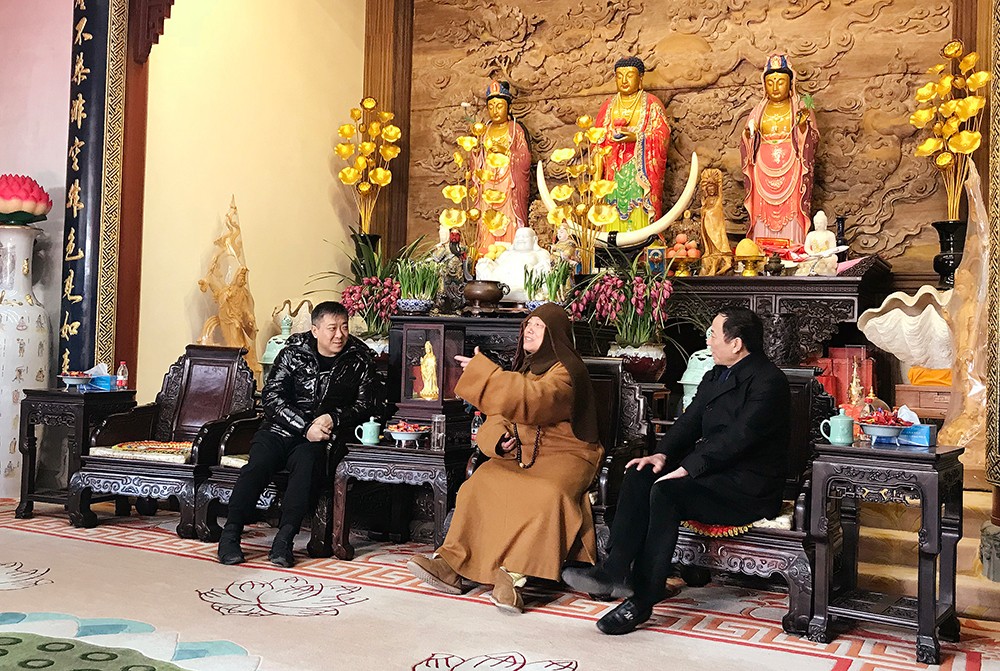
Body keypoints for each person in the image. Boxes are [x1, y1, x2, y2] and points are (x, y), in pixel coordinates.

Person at [562, 306, 791, 635]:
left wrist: (688, 468)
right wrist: (661, 455)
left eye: (713, 334)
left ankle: (642, 600)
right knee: (640, 473)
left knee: (667, 492)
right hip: (712, 476)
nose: (708, 341)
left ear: (736, 343)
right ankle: (614, 570)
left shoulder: (769, 381)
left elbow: (739, 437)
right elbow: (689, 421)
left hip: (747, 488)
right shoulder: (716, 374)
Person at [406, 303, 603, 613]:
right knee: (479, 483)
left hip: (566, 457)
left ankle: (512, 576)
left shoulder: (568, 371)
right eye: (528, 325)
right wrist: (498, 441)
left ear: (555, 334)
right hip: (521, 456)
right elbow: (498, 417)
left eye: (539, 326)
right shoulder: (523, 371)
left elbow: (534, 400)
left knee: (548, 494)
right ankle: (451, 564)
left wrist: (485, 375)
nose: (530, 330)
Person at [217, 301, 383, 568]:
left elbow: (367, 405)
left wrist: (333, 417)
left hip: (321, 437)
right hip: (279, 429)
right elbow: (272, 398)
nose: (339, 335)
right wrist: (305, 427)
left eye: (344, 327)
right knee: (257, 466)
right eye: (332, 328)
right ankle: (230, 535)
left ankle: (284, 540)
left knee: (306, 468)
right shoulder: (292, 353)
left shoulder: (359, 359)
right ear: (315, 330)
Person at [740, 53, 819, 248]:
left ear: (790, 83)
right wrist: (749, 135)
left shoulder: (800, 107)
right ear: (764, 85)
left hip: (792, 167)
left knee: (792, 208)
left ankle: (793, 246)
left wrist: (803, 126)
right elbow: (747, 140)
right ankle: (762, 249)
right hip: (762, 169)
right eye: (770, 82)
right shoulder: (758, 111)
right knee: (762, 209)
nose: (775, 87)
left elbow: (812, 139)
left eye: (781, 82)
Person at [594, 56, 671, 233]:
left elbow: (663, 135)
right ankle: (612, 243)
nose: (624, 80)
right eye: (619, 76)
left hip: (639, 170)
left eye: (629, 75)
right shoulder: (608, 106)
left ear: (640, 78)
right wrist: (597, 179)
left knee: (638, 204)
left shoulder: (651, 103)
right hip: (613, 170)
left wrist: (637, 137)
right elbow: (597, 143)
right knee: (611, 205)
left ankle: (643, 241)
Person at [475, 80, 531, 254]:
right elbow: (477, 160)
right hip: (488, 179)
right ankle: (486, 248)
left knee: (508, 214)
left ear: (508, 107)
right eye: (491, 107)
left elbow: (525, 158)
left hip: (508, 179)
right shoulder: (484, 130)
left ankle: (510, 246)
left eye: (499, 106)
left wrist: (507, 153)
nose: (495, 111)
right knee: (487, 214)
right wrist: (476, 154)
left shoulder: (515, 129)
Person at [698, 168, 734, 276]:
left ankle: (720, 258)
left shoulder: (718, 198)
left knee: (718, 240)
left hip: (716, 224)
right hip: (708, 224)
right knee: (710, 243)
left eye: (713, 188)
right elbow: (703, 209)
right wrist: (704, 212)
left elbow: (716, 209)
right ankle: (711, 254)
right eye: (709, 188)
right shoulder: (706, 200)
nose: (711, 190)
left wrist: (719, 180)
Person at [795, 211, 838, 276]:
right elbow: (807, 248)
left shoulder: (830, 234)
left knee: (833, 258)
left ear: (825, 223)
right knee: (804, 258)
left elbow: (833, 249)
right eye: (817, 223)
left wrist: (826, 254)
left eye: (821, 223)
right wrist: (812, 253)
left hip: (826, 257)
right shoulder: (811, 234)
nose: (819, 224)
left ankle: (822, 270)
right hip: (814, 256)